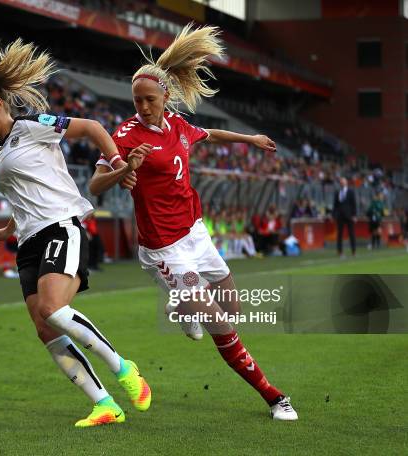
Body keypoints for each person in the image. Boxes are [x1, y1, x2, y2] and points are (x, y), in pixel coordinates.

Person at [90, 24, 297, 420]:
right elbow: (96, 183)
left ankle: (182, 307)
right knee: (221, 324)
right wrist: (124, 170)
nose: (143, 107)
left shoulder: (180, 126)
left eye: (149, 100)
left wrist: (250, 139)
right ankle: (274, 397)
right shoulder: (126, 136)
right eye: (137, 100)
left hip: (195, 234)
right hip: (164, 248)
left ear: (166, 98)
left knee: (231, 308)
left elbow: (210, 134)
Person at [0, 39, 151, 427]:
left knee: (52, 308)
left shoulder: (32, 126)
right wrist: (8, 228)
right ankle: (104, 404)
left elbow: (93, 128)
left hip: (61, 228)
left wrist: (117, 161)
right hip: (28, 240)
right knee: (44, 326)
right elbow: (26, 193)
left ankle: (124, 368)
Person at [333, 177, 357, 257]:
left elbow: (353, 204)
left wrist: (354, 215)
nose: (342, 183)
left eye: (343, 182)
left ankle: (353, 251)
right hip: (340, 216)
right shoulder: (337, 192)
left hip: (349, 215)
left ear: (346, 183)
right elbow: (335, 205)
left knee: (351, 234)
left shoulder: (350, 191)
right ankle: (340, 251)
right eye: (341, 182)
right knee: (339, 234)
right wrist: (334, 215)